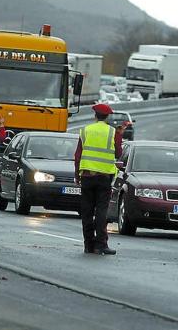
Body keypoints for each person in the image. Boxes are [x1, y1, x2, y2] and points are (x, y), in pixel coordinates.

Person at [74, 103, 127, 255]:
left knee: (87, 212)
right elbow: (118, 153)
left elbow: (78, 156)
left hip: (87, 177)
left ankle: (88, 245)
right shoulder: (113, 132)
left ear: (95, 115)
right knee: (101, 212)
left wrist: (77, 175)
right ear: (108, 117)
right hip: (104, 178)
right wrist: (120, 134)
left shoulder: (85, 130)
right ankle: (101, 245)